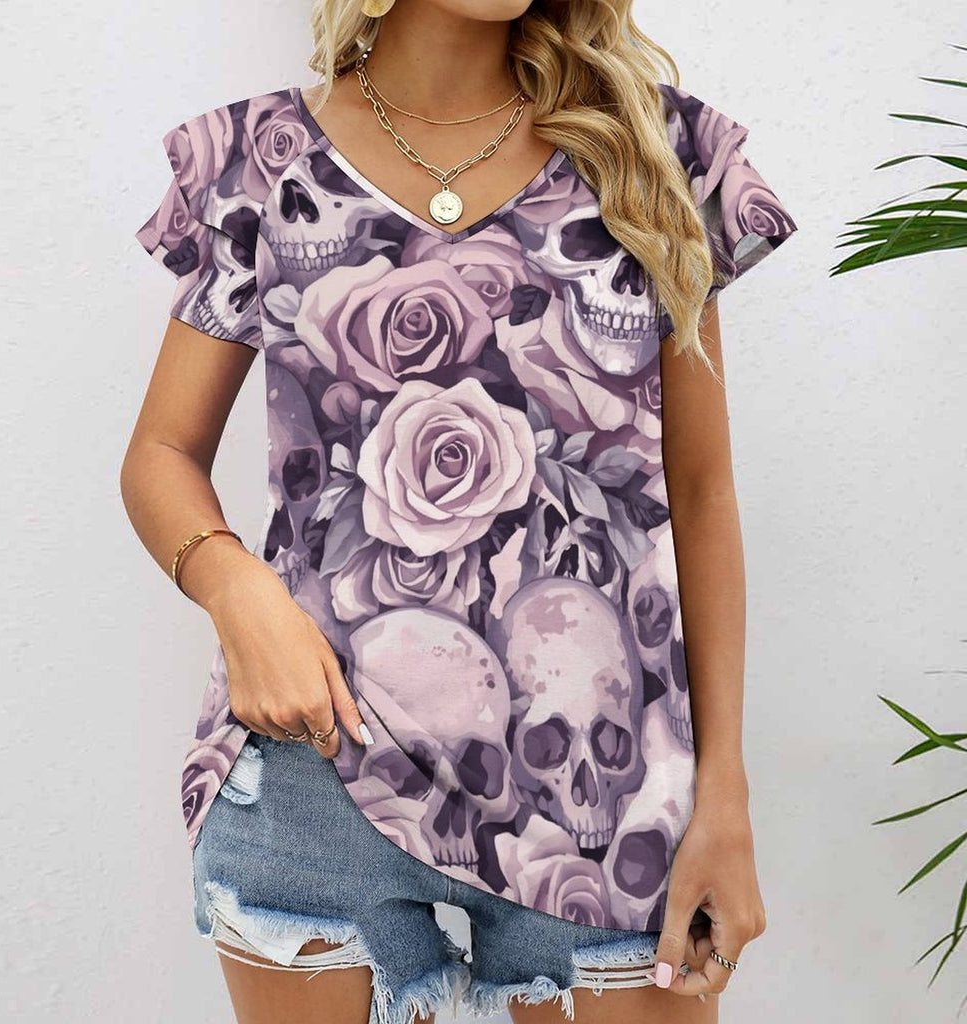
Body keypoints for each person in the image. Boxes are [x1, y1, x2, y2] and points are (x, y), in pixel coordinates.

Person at [121, 1, 798, 1022]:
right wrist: (236, 590)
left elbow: (700, 492)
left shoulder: (655, 156)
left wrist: (725, 796)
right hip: (313, 784)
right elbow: (160, 454)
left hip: (606, 807)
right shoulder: (259, 164)